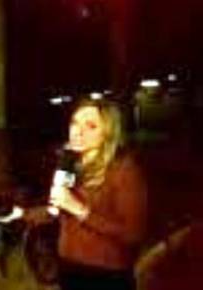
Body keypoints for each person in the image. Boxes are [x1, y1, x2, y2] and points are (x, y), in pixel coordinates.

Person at [48, 98, 149, 290]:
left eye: (91, 126)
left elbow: (133, 233)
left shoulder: (124, 170)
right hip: (68, 268)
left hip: (105, 274)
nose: (78, 132)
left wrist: (80, 210)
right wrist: (21, 214)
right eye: (74, 123)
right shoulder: (70, 162)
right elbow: (58, 209)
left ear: (108, 133)